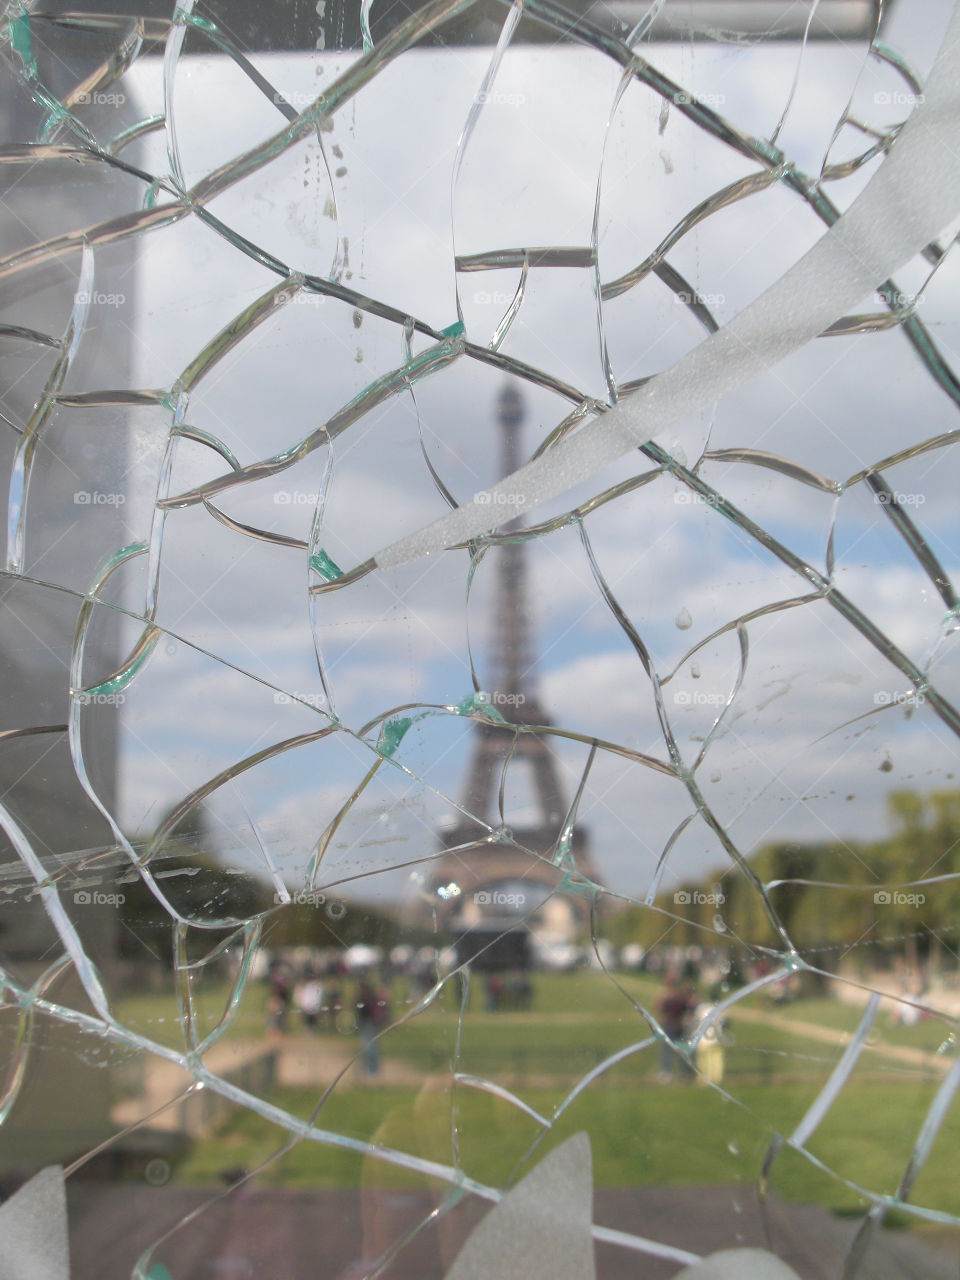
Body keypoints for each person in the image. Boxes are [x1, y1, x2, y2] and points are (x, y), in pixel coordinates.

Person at [657, 973, 697, 1081]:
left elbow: (689, 1008)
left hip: (677, 1026)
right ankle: (668, 1072)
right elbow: (660, 1009)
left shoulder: (676, 997)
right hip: (672, 1026)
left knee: (678, 1050)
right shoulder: (671, 996)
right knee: (669, 1050)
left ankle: (682, 1073)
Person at [356, 977, 389, 1075]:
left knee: (370, 1047)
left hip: (370, 1024)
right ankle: (369, 1068)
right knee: (368, 1047)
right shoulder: (366, 998)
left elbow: (368, 1012)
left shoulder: (368, 999)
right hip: (368, 1024)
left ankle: (372, 1069)